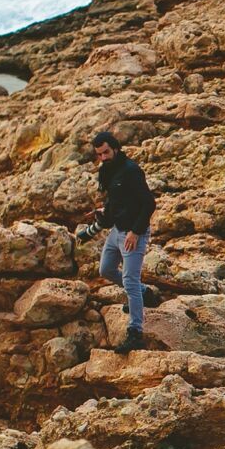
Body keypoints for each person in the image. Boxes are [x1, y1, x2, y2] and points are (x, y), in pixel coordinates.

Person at [85, 130, 156, 353]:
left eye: (106, 152)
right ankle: (144, 293)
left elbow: (149, 204)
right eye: (99, 154)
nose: (103, 157)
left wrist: (136, 232)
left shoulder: (131, 171)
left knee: (129, 280)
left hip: (133, 233)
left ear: (115, 147)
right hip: (116, 231)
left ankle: (135, 332)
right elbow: (113, 202)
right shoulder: (106, 171)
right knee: (105, 269)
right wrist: (98, 221)